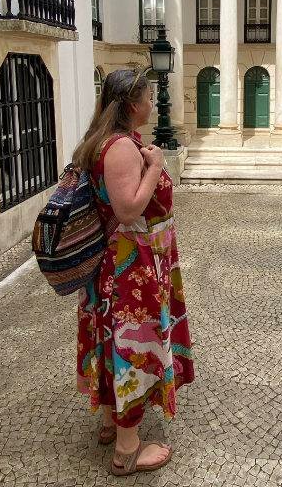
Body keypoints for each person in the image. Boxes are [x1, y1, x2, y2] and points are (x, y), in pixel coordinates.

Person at [73, 68, 194, 476]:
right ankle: (128, 449)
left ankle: (111, 420)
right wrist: (156, 164)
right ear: (130, 105)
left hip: (119, 262)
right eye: (148, 97)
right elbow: (128, 210)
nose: (152, 103)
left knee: (111, 335)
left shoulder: (105, 142)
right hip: (131, 265)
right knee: (132, 342)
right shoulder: (122, 148)